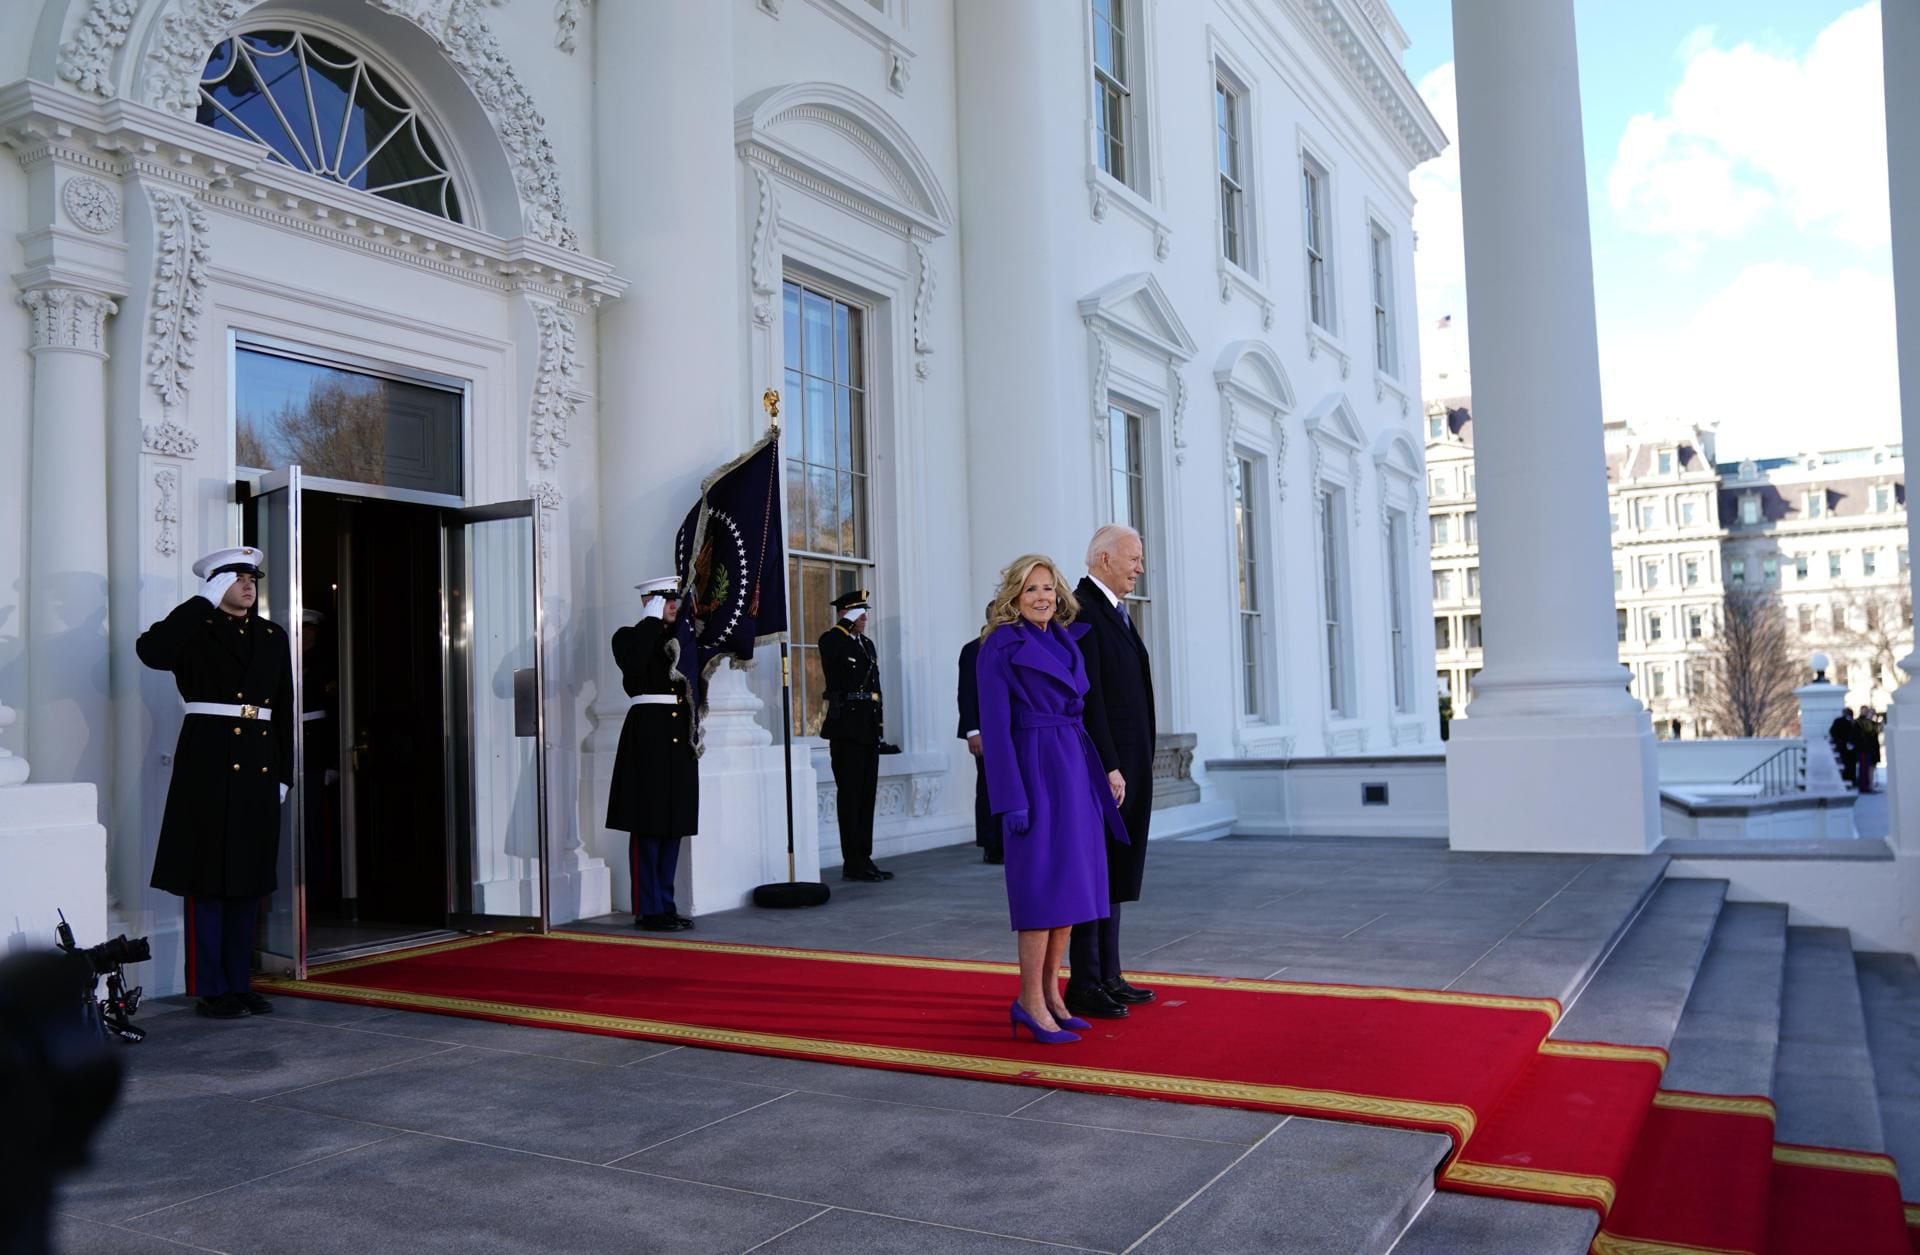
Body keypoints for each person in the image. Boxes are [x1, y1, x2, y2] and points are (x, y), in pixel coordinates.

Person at [975, 554, 1127, 1044]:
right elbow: (996, 731)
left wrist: (1101, 772)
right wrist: (1010, 799)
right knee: (1040, 890)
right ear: (1014, 598)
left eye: (1048, 588)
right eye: (1031, 590)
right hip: (1034, 768)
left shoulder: (1065, 639)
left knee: (1071, 889)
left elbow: (1083, 710)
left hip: (1073, 765)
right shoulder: (1000, 645)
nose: (1042, 597)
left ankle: (1053, 995)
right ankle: (1029, 1001)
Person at [136, 546, 293, 1020]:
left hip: (259, 765)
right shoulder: (194, 630)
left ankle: (238, 982)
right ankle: (211, 987)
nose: (249, 585)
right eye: (237, 577)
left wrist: (284, 773)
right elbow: (152, 652)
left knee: (247, 879)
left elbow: (282, 707)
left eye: (253, 578)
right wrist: (200, 604)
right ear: (213, 584)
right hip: (208, 762)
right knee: (207, 878)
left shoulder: (271, 634)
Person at [1069, 524, 1156, 1021]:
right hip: (1109, 769)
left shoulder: (1116, 611)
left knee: (1116, 870)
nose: (1139, 566)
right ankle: (1085, 980)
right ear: (1104, 559)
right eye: (1133, 558)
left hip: (1130, 762)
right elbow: (1091, 698)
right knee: (1097, 871)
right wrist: (1109, 764)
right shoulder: (1082, 610)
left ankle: (1109, 973)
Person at [607, 576, 698, 931]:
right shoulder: (629, 636)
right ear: (649, 601)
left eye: (675, 598)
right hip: (648, 734)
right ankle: (648, 907)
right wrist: (650, 619)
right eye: (665, 599)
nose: (674, 604)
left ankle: (666, 903)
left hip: (678, 734)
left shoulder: (680, 640)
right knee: (648, 824)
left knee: (673, 824)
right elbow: (633, 667)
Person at [820, 588, 899, 882]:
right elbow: (833, 659)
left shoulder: (866, 644)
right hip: (846, 730)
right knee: (850, 796)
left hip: (867, 729)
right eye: (858, 612)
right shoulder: (833, 639)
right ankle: (851, 861)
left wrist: (878, 728)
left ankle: (864, 857)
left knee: (866, 797)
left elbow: (874, 690)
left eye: (864, 611)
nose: (865, 617)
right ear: (845, 613)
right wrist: (844, 624)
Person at [956, 604, 1002, 865]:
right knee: (988, 787)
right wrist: (974, 732)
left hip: (1013, 731)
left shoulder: (1014, 646)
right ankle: (991, 844)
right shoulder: (973, 649)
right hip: (986, 732)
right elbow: (966, 693)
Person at [1830, 707, 1858, 788]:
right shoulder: (1840, 721)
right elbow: (1833, 732)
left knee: (1850, 765)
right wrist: (1841, 742)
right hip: (1843, 746)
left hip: (1848, 747)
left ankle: (1850, 780)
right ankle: (1848, 781)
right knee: (1846, 764)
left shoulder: (1853, 722)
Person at [1856, 709, 1882, 794]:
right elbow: (1868, 731)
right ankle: (1867, 786)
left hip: (1873, 748)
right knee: (1866, 768)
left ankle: (1870, 785)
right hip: (1866, 749)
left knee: (1871, 768)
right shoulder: (1861, 723)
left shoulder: (1873, 723)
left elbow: (1878, 730)